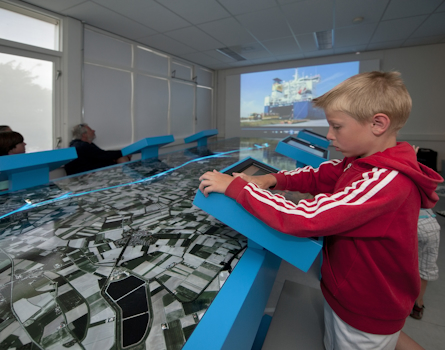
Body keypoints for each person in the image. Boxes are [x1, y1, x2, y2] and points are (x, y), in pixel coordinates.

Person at [198, 71, 443, 350]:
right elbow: (321, 175)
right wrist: (275, 179)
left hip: (365, 310)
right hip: (349, 294)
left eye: (336, 126)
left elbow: (306, 217)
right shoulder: (362, 162)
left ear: (378, 124)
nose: (329, 135)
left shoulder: (385, 182)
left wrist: (236, 189)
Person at [64, 123, 131, 175]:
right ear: (84, 134)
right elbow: (104, 155)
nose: (93, 131)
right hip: (86, 178)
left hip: (91, 174)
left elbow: (101, 155)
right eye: (90, 130)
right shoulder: (82, 146)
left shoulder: (78, 145)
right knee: (123, 159)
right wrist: (124, 152)